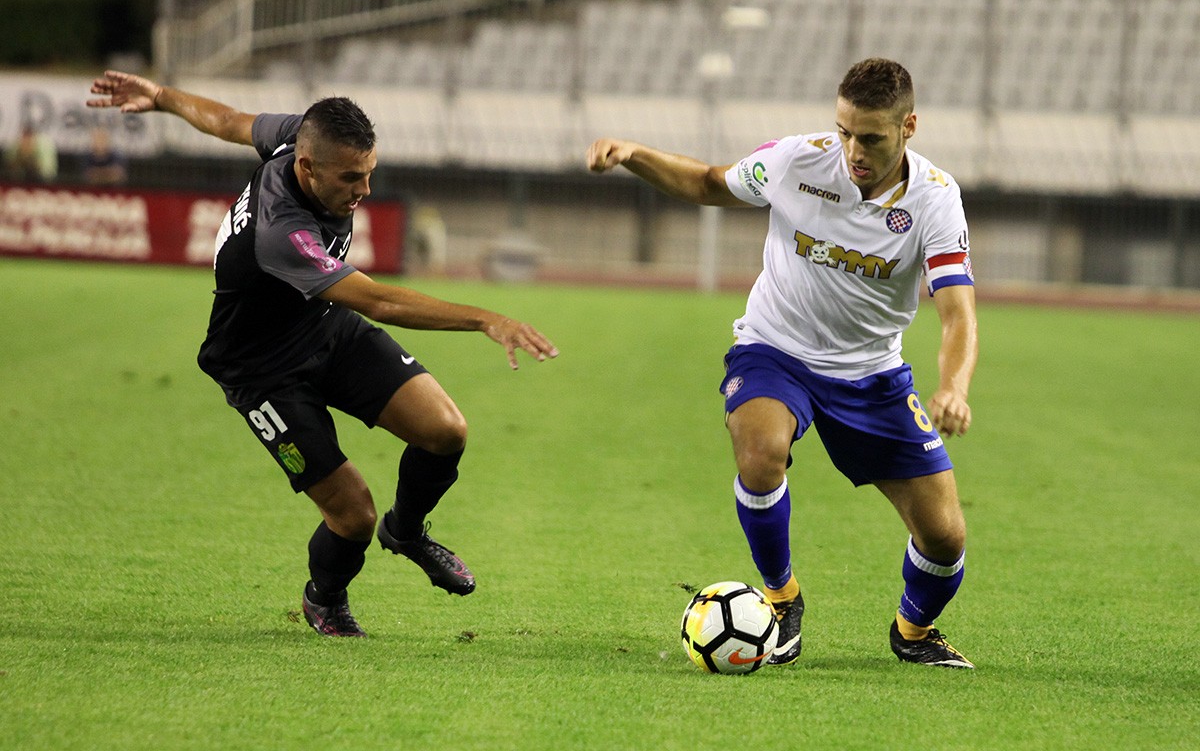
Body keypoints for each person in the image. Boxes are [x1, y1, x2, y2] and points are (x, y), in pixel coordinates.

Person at [88, 69, 559, 637]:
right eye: (351, 178)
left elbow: (231, 121)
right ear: (308, 169)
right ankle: (325, 598)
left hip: (322, 328)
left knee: (445, 431)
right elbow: (379, 302)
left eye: (370, 174)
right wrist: (487, 318)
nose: (364, 191)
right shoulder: (281, 234)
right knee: (351, 514)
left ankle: (407, 530)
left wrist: (162, 97)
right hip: (261, 373)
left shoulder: (296, 138)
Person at [587, 58, 978, 668]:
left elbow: (957, 314)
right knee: (760, 451)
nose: (853, 149)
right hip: (776, 350)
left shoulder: (935, 199)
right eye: (844, 130)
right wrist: (636, 154)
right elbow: (708, 183)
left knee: (945, 537)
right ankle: (780, 598)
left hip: (872, 375)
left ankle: (913, 631)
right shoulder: (798, 160)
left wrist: (953, 387)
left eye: (870, 137)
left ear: (909, 127)